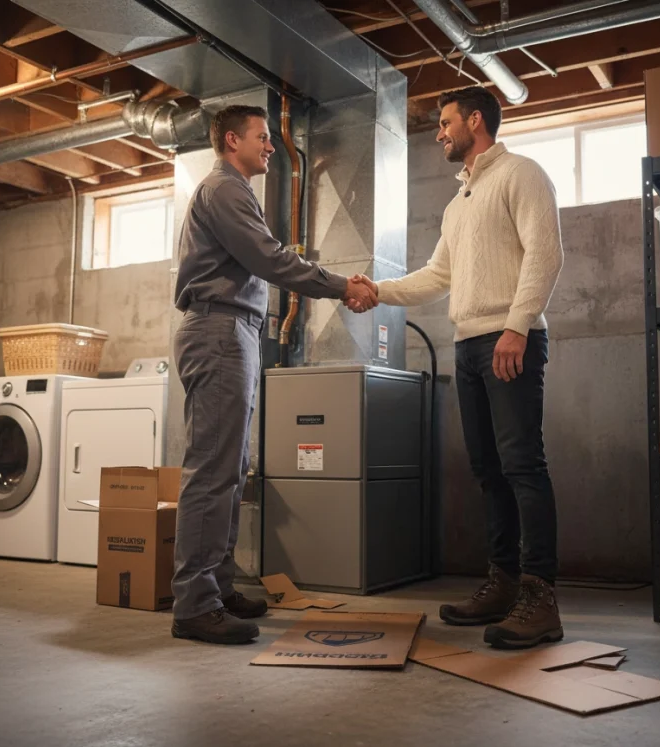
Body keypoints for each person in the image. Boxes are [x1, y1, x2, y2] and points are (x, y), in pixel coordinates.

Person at [352, 87, 564, 649]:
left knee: (523, 467)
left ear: (475, 121)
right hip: (469, 346)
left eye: (445, 123)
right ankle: (503, 584)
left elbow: (545, 253)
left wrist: (518, 326)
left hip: (510, 340)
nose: (439, 133)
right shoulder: (459, 202)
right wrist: (379, 291)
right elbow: (434, 276)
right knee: (489, 473)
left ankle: (541, 601)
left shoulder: (521, 174)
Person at [170, 104, 377, 645]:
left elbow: (264, 259)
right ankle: (194, 603)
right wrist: (339, 286)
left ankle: (216, 586)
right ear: (232, 139)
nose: (271, 146)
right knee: (213, 471)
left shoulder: (235, 192)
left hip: (233, 329)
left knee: (232, 470)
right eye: (263, 138)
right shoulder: (224, 190)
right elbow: (269, 258)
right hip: (218, 328)